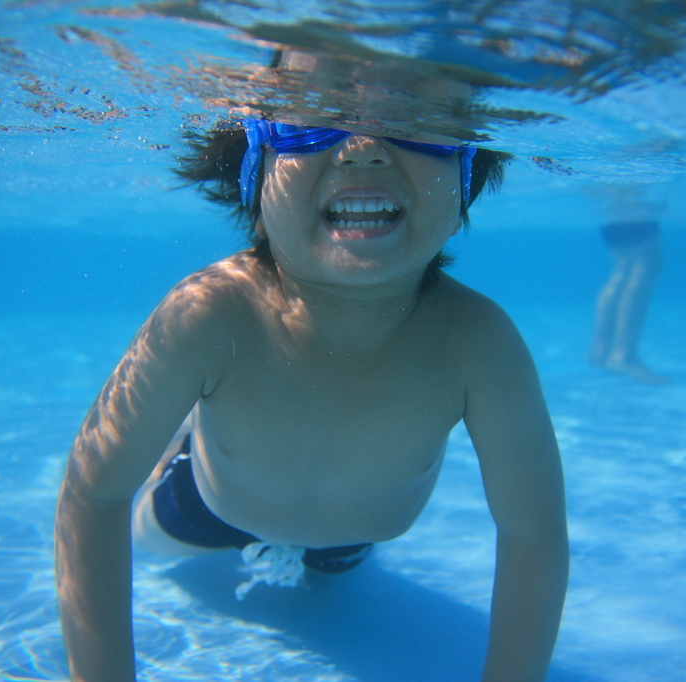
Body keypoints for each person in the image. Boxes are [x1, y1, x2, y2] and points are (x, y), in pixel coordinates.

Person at [53, 118, 569, 682]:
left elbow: (533, 534)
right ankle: (187, 440)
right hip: (205, 508)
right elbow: (94, 492)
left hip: (352, 540)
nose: (364, 149)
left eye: (419, 123)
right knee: (144, 535)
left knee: (334, 575)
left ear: (467, 173)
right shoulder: (209, 313)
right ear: (254, 173)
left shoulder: (479, 340)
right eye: (308, 126)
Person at [588, 220, 667, 384]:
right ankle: (624, 355)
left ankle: (600, 351)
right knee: (645, 263)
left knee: (624, 265)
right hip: (625, 195)